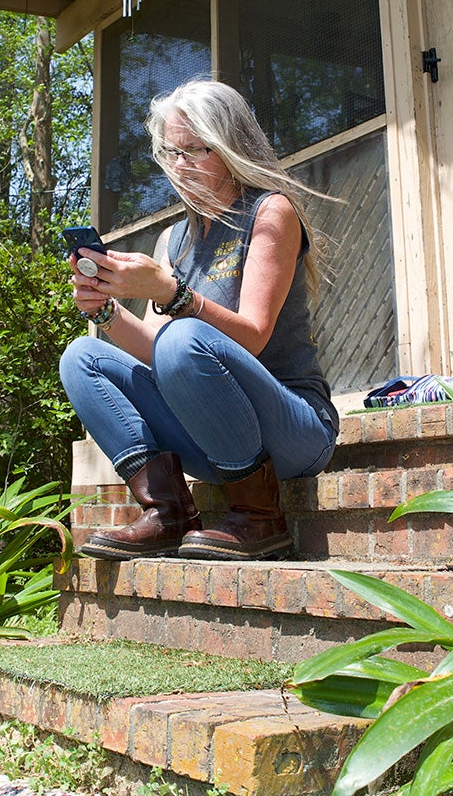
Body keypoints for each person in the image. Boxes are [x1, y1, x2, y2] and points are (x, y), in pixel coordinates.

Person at [60, 79, 339, 562]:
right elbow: (154, 351)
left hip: (295, 431)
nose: (179, 165)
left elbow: (251, 336)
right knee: (82, 356)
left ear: (231, 147)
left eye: (195, 150)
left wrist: (170, 292)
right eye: (171, 152)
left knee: (184, 336)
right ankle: (168, 513)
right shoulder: (173, 239)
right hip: (212, 435)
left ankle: (259, 516)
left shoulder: (270, 213)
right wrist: (104, 308)